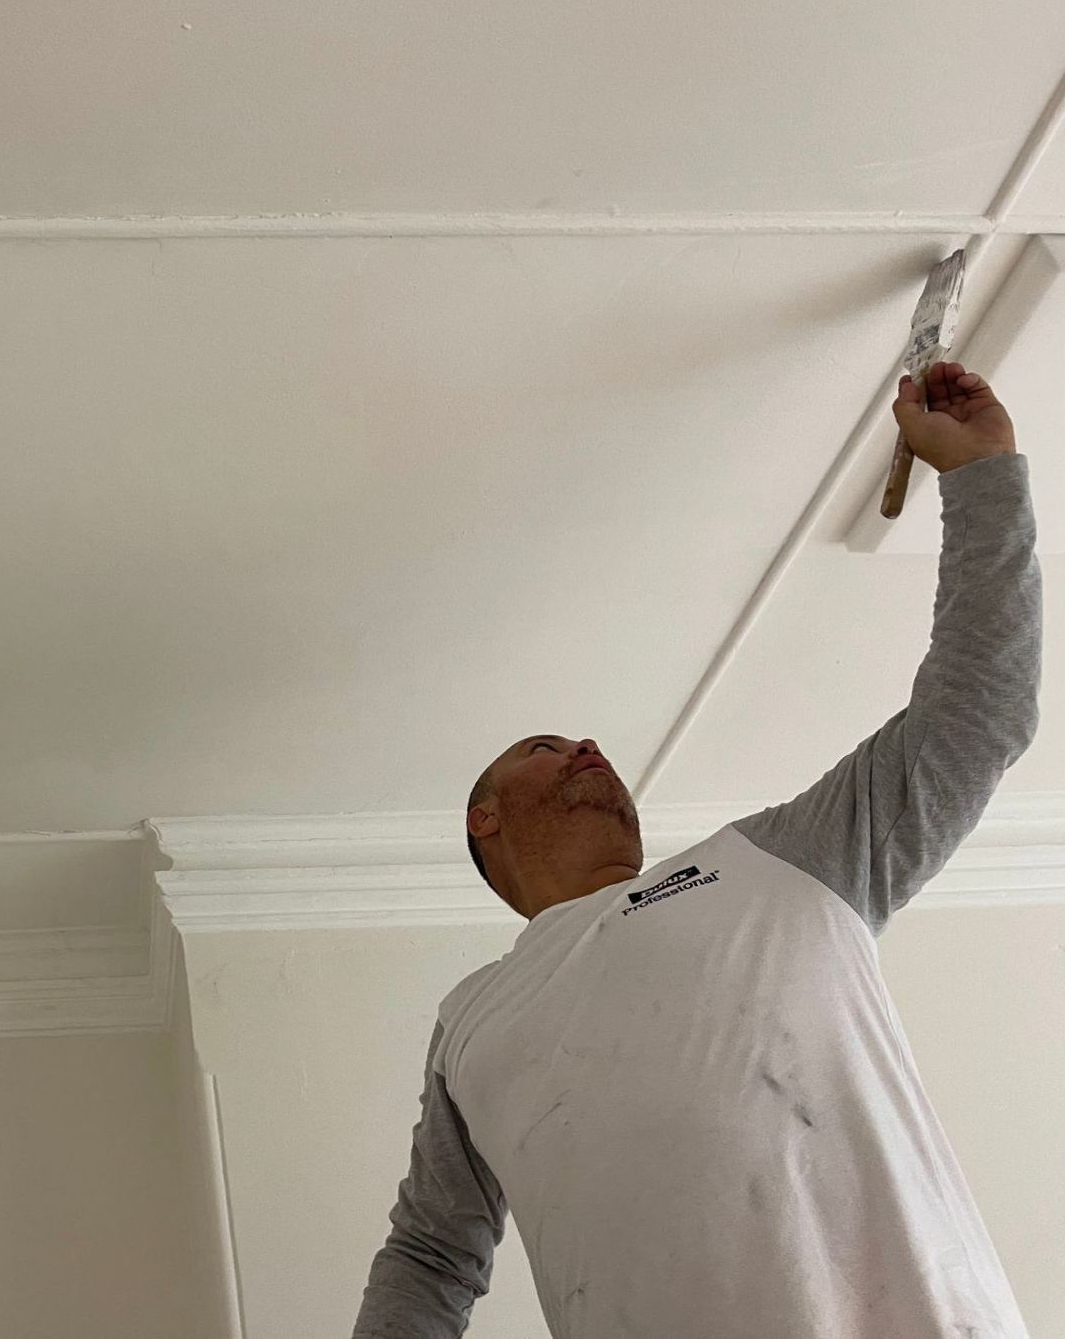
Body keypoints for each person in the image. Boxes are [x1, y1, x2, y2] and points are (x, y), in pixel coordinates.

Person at [351, 362, 1040, 1338]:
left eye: (586, 744)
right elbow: (426, 1255)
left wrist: (981, 477)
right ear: (484, 819)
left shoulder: (783, 856)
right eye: (542, 748)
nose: (585, 746)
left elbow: (977, 711)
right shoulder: (469, 1022)